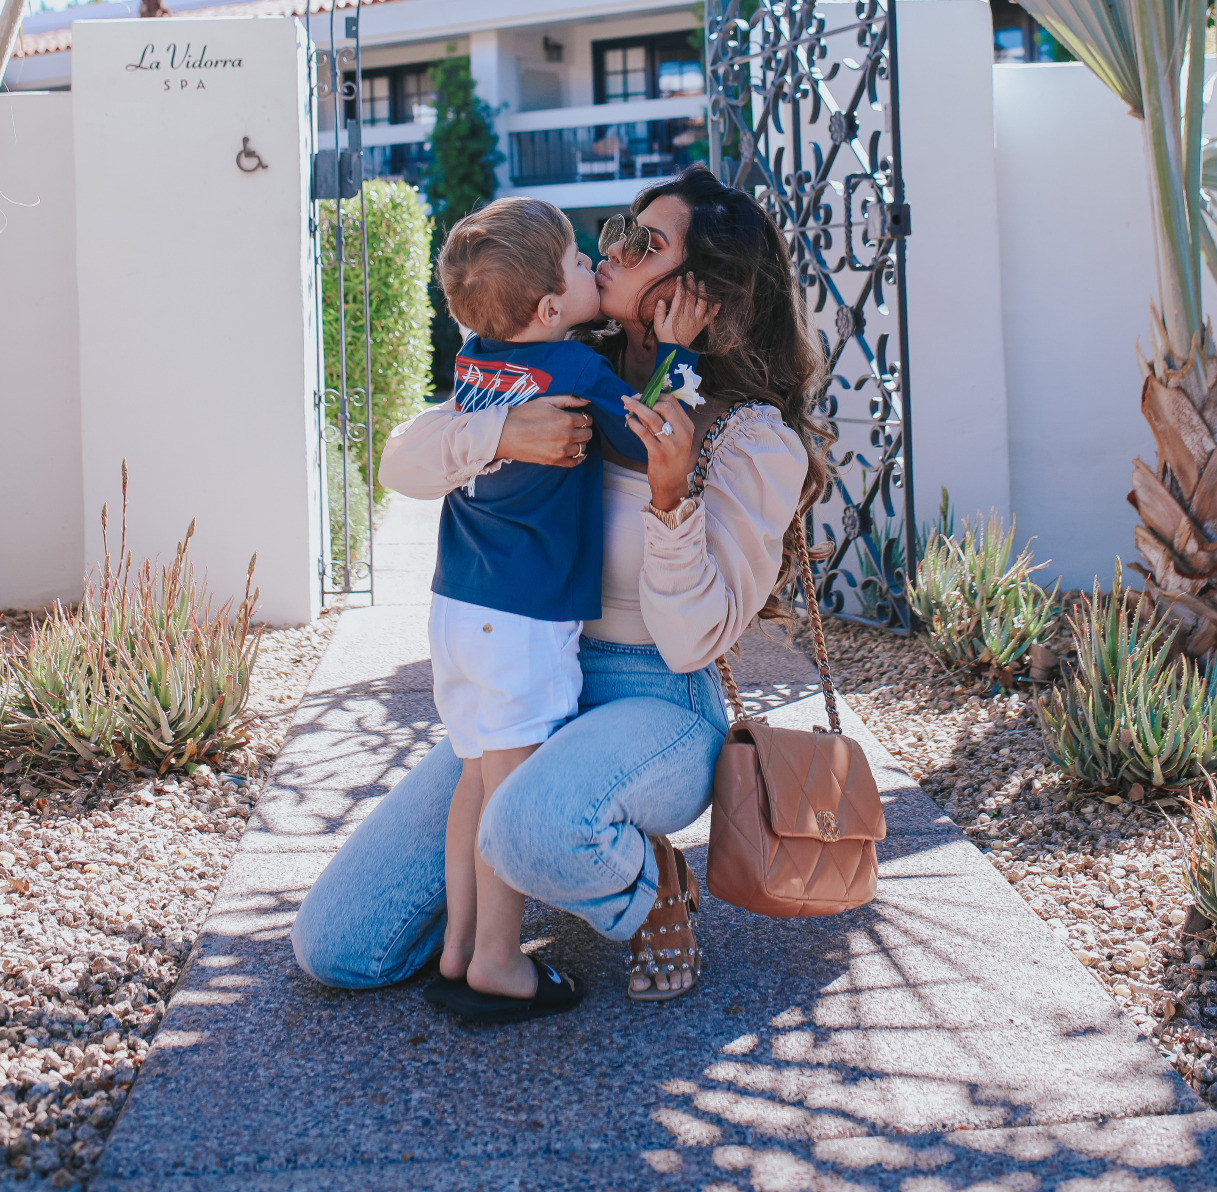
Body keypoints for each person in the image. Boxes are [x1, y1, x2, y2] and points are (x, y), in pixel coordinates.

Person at [291, 165, 830, 1005]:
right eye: (618, 229)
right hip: (536, 678)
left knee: (527, 822)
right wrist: (499, 431)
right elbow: (402, 460)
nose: (610, 249)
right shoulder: (557, 367)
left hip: (655, 702)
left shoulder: (751, 442)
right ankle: (522, 892)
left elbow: (694, 638)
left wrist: (666, 500)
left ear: (706, 292)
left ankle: (649, 888)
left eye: (645, 244)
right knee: (339, 945)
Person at [423, 196, 704, 1025]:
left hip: (455, 608)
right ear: (550, 310)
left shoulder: (475, 359)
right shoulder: (576, 371)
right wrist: (679, 351)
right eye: (581, 265)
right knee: (512, 802)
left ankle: (458, 947)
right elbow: (642, 430)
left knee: (474, 783)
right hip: (521, 621)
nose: (594, 266)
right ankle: (499, 964)